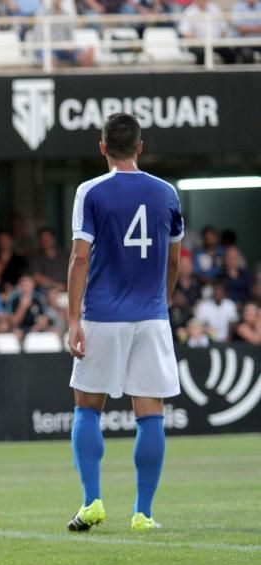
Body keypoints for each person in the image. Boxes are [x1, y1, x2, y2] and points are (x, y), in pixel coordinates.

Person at [66, 113, 184, 534]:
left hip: (103, 316)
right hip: (151, 317)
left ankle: (92, 501)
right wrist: (163, 302)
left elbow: (81, 256)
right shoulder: (166, 192)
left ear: (102, 147)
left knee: (87, 407)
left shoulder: (90, 191)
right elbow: (174, 259)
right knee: (150, 414)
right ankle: (143, 513)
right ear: (140, 145)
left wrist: (72, 318)